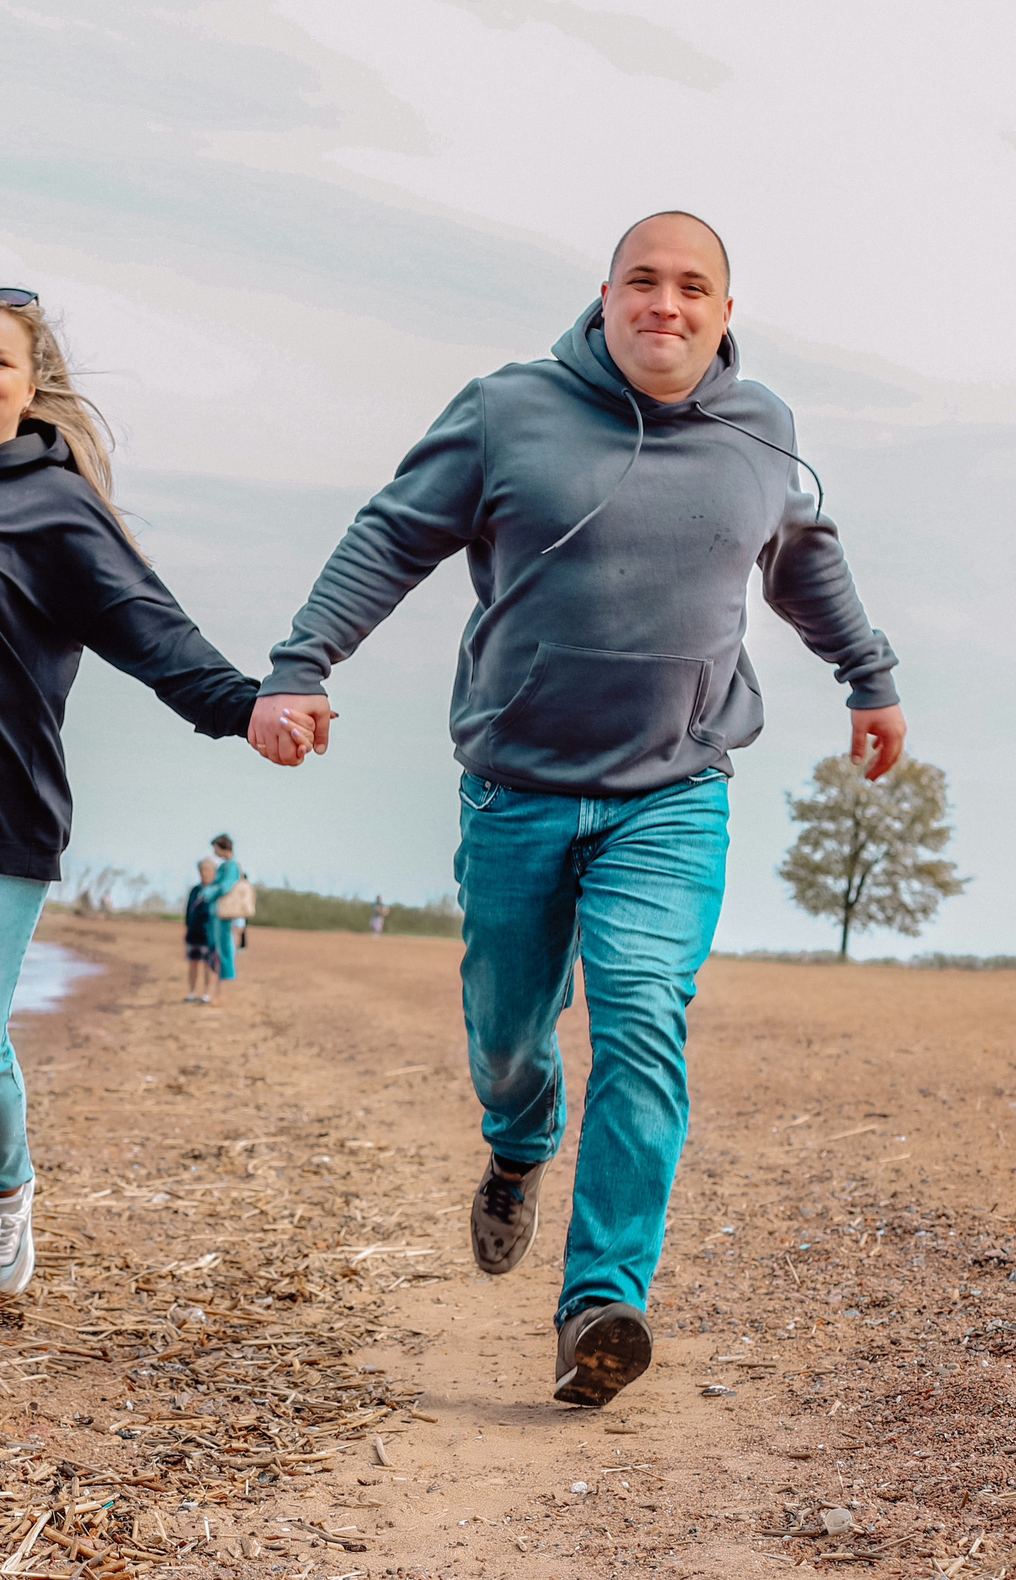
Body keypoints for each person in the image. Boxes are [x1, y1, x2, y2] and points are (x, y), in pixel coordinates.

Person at [249, 212, 906, 1409]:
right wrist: (302, 665)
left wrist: (866, 674)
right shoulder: (507, 411)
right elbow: (391, 535)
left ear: (723, 312)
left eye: (692, 287)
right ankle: (518, 1142)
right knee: (507, 1039)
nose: (666, 304)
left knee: (642, 1015)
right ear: (604, 298)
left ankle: (600, 1303)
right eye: (642, 281)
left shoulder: (761, 431)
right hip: (516, 791)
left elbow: (803, 558)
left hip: (674, 791)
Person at [0, 280, 263, 1306]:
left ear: (30, 388)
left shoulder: (57, 505)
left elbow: (154, 632)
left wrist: (249, 709)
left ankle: (5, 1193)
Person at [204, 833, 245, 994]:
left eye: (216, 848)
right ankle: (216, 992)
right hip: (217, 913)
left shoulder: (232, 866)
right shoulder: (225, 865)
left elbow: (226, 887)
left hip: (224, 915)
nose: (214, 852)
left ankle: (223, 994)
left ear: (222, 847)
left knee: (224, 953)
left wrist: (210, 892)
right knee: (217, 952)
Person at [182, 856, 219, 1003]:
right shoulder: (195, 890)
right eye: (202, 870)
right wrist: (188, 929)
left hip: (209, 934)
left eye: (208, 870)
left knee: (209, 965)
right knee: (193, 964)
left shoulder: (216, 890)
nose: (204, 873)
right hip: (194, 934)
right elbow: (188, 911)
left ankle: (207, 994)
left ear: (214, 872)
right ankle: (191, 993)